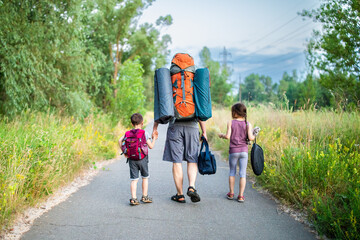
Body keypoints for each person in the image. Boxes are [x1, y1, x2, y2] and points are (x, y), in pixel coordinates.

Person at [152, 119, 207, 203]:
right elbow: (201, 113)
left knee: (176, 161)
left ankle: (180, 195)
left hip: (175, 127)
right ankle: (191, 187)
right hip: (192, 127)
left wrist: (155, 128)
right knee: (192, 159)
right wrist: (204, 131)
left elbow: (162, 108)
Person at [218, 103, 256, 203]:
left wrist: (221, 135)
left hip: (233, 151)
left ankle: (231, 193)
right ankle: (241, 196)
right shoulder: (248, 124)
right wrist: (254, 134)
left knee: (232, 172)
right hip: (244, 151)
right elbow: (251, 138)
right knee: (243, 173)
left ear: (235, 112)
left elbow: (227, 136)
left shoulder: (230, 122)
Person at [119, 113, 158, 206]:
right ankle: (144, 197)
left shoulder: (127, 133)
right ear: (142, 123)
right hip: (143, 159)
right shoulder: (144, 133)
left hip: (132, 159)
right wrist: (155, 138)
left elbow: (119, 141)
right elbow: (151, 146)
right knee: (145, 178)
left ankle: (133, 199)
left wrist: (125, 152)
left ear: (132, 124)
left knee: (134, 179)